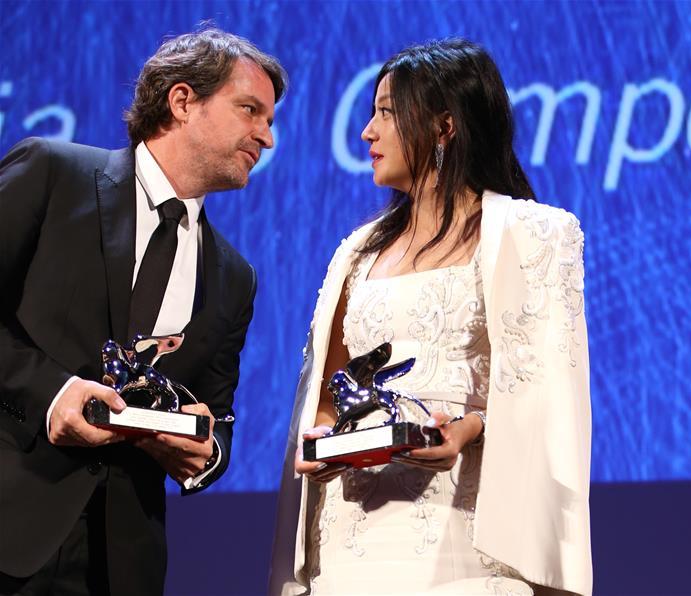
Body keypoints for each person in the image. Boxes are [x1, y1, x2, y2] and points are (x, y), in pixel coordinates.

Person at [270, 38, 590, 595]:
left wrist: (467, 428)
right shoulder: (357, 252)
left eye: (386, 112)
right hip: (349, 540)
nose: (367, 132)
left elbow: (548, 400)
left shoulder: (533, 233)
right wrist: (320, 442)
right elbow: (329, 393)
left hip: (464, 543)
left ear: (444, 127)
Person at [0, 27, 287, 596]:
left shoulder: (234, 277)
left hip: (122, 566)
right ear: (182, 102)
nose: (267, 137)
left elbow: (219, 420)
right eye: (250, 110)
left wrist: (204, 452)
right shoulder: (53, 173)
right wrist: (52, 393)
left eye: (270, 120)